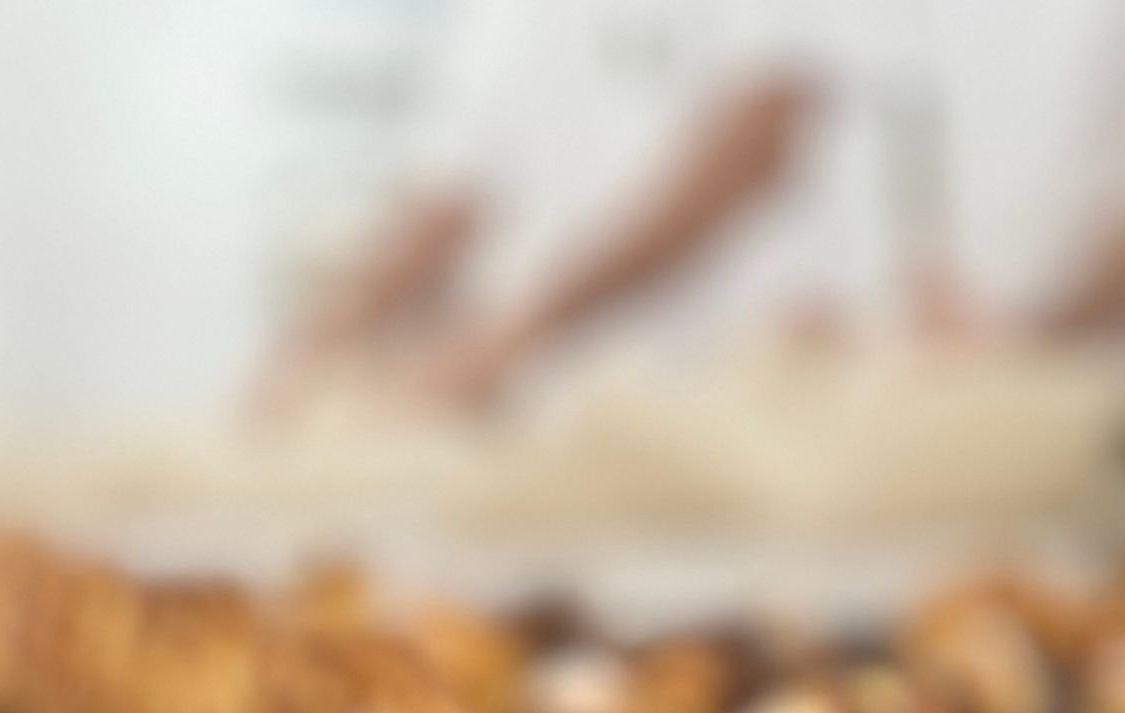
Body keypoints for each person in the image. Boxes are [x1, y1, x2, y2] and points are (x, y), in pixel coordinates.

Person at [254, 0, 1125, 418]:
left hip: (745, 409)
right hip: (572, 429)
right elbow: (448, 191)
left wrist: (526, 323)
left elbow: (764, 133)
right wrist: (321, 339)